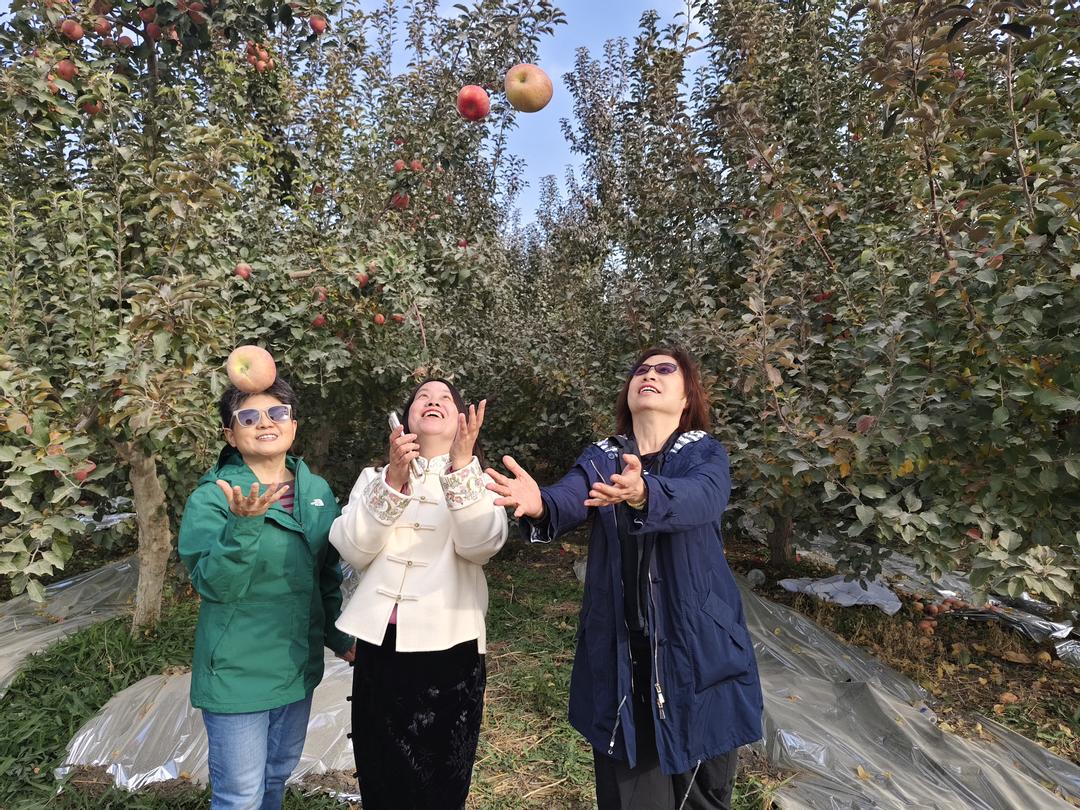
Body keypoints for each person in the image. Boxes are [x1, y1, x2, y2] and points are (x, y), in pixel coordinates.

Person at [486, 346, 763, 810]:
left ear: (686, 397)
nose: (649, 374)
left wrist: (644, 491)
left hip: (698, 656)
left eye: (665, 369)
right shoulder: (604, 456)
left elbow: (703, 497)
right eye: (641, 370)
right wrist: (540, 504)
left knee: (702, 800)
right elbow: (573, 495)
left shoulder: (704, 452)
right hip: (623, 661)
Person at [178, 376, 355, 810]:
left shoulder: (315, 491)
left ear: (293, 425)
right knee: (239, 794)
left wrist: (340, 637)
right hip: (237, 668)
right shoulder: (215, 498)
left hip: (296, 664)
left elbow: (325, 575)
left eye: (277, 413)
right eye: (249, 417)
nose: (265, 423)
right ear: (230, 434)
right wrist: (243, 525)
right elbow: (214, 585)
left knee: (275, 775)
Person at [330, 378, 507, 810]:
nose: (433, 400)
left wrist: (461, 468)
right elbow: (353, 548)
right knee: (381, 775)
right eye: (423, 397)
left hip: (452, 650)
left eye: (445, 397)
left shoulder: (480, 480)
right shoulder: (374, 479)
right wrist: (393, 481)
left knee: (442, 783)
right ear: (406, 419)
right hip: (381, 648)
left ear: (462, 419)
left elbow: (481, 545)